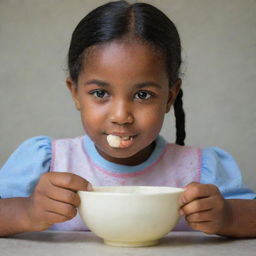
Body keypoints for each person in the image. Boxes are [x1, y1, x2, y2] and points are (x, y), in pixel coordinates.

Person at [0, 0, 255, 238]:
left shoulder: (202, 169)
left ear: (169, 97)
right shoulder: (47, 161)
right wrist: (26, 211)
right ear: (75, 93)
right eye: (100, 93)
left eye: (143, 95)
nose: (121, 116)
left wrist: (229, 217)